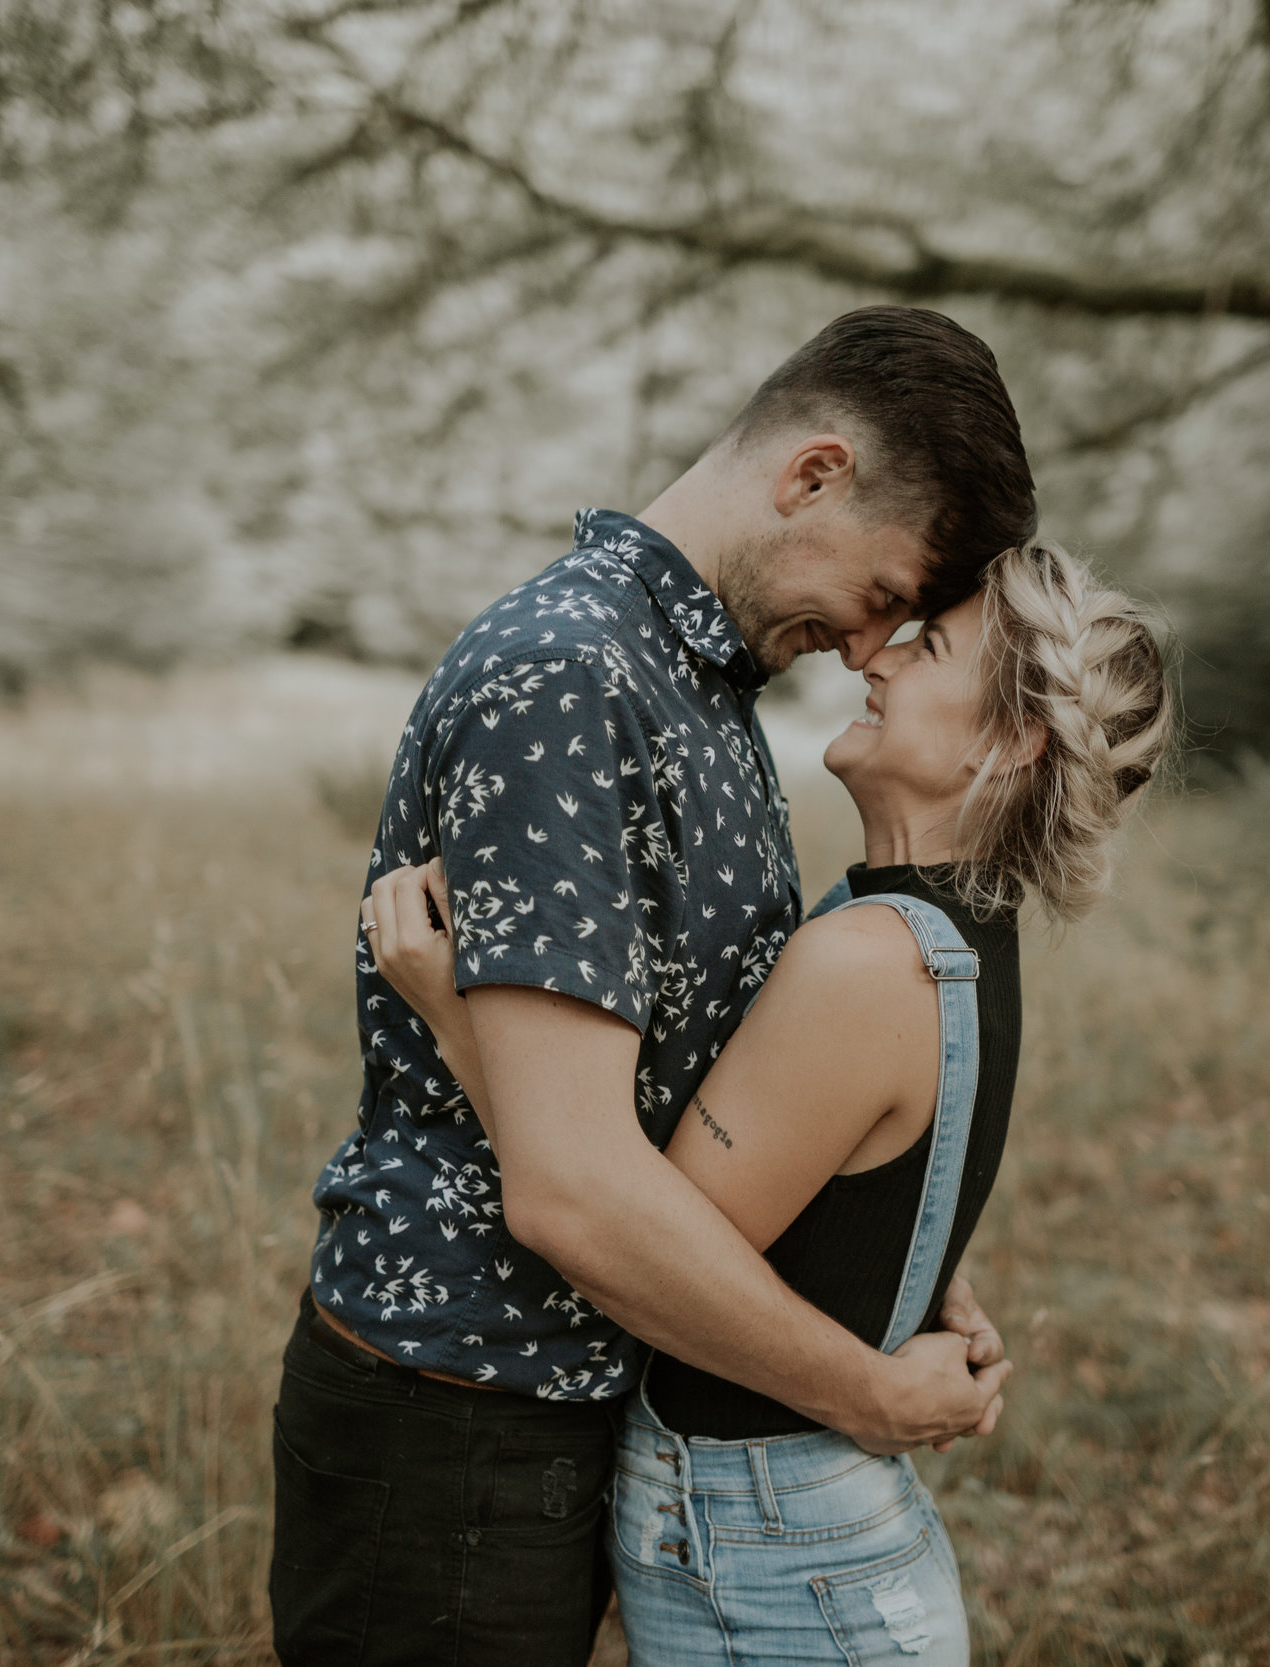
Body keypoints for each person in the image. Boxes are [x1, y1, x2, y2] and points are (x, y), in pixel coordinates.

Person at [270, 306, 1039, 1666]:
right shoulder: (575, 677)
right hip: (461, 1403)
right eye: (882, 597)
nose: (870, 649)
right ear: (813, 474)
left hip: (579, 1401)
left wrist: (909, 1265)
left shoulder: (695, 687)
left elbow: (714, 1081)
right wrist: (866, 1388)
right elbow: (568, 1183)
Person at [365, 539, 1173, 1663]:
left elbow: (639, 1246)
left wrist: (458, 1024)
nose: (876, 660)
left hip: (780, 1566)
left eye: (928, 644)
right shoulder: (947, 937)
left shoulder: (864, 957)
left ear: (1008, 739)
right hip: (807, 1553)